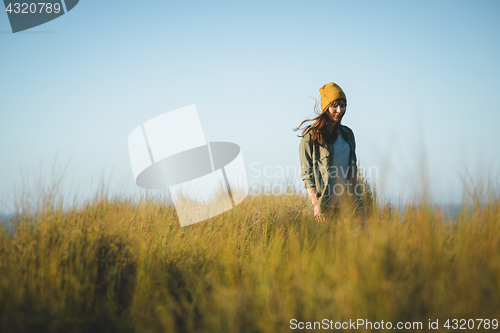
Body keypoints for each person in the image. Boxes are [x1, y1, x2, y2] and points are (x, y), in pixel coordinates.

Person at [296, 82, 366, 223]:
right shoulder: (311, 135)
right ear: (326, 107)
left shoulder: (348, 134)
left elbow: (352, 174)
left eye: (343, 105)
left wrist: (361, 206)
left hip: (349, 206)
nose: (339, 110)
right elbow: (307, 175)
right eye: (334, 106)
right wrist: (316, 206)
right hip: (325, 207)